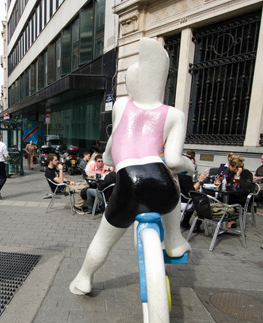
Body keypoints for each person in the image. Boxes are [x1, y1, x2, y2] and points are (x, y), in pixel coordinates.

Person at [69, 38, 193, 295]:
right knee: (172, 181)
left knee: (103, 239)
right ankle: (174, 240)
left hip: (128, 181)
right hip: (158, 177)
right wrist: (189, 165)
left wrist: (108, 156)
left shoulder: (122, 105)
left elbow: (113, 145)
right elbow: (172, 160)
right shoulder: (174, 114)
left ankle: (84, 278)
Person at [225, 155, 254, 228]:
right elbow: (229, 184)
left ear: (234, 167)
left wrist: (238, 176)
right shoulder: (230, 173)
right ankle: (224, 218)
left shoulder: (247, 174)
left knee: (230, 199)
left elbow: (246, 187)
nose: (228, 167)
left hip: (242, 196)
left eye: (230, 166)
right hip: (231, 194)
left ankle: (231, 220)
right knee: (221, 198)